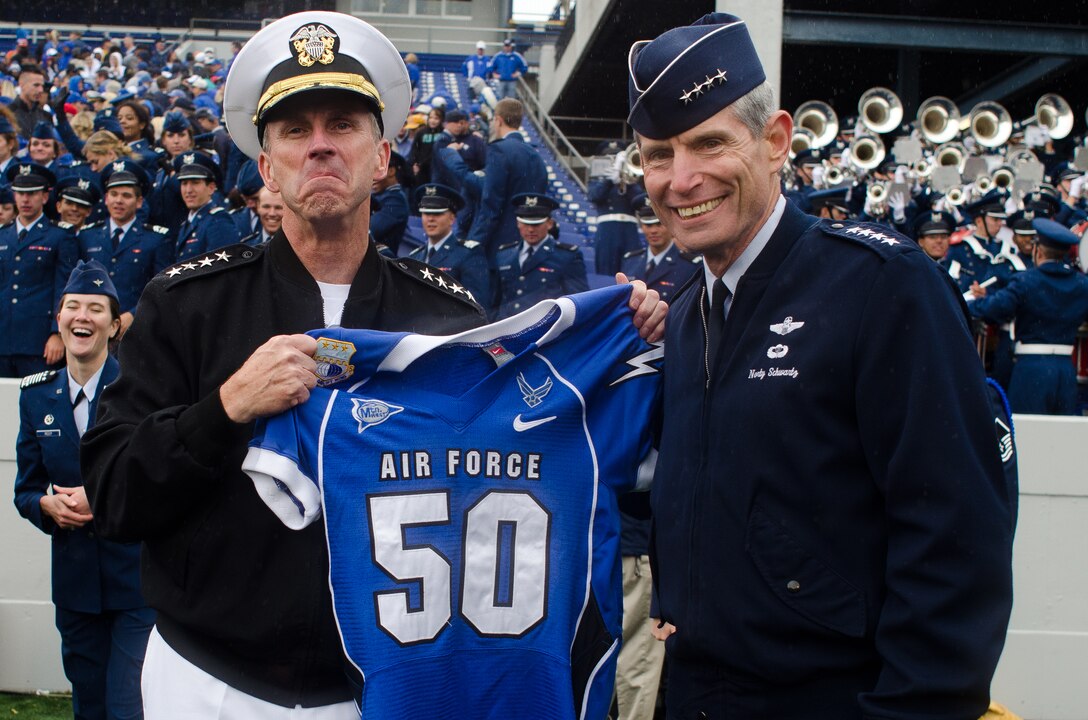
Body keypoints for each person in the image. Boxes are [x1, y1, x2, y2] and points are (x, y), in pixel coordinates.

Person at [81, 11, 666, 718]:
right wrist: (224, 409)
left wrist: (630, 336)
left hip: (387, 691)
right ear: (266, 167)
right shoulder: (186, 305)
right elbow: (113, 494)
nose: (320, 147)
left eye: (343, 126)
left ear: (382, 156)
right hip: (210, 680)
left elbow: (526, 456)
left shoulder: (451, 318)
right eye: (296, 131)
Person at [628, 13, 1015, 719]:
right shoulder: (685, 313)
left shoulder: (880, 285)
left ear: (775, 141)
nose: (681, 179)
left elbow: (958, 542)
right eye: (658, 155)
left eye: (709, 143)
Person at [14, 260, 154, 720]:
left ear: (114, 326)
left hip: (135, 585)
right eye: (73, 306)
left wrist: (106, 498)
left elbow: (162, 478)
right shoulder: (35, 395)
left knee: (126, 707)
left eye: (96, 309)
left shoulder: (140, 390)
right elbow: (26, 490)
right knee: (89, 706)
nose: (82, 316)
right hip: (74, 585)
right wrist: (46, 506)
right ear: (58, 318)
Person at [968, 218, 1088, 415]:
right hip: (1066, 369)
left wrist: (969, 302)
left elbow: (993, 309)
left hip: (1031, 368)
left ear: (1038, 250)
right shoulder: (1082, 285)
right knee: (1064, 437)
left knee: (1026, 434)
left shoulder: (1026, 281)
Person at [77, 159, 173, 337]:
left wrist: (134, 314)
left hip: (135, 330)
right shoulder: (87, 236)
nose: (119, 201)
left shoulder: (156, 238)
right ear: (106, 199)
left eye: (126, 196)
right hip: (93, 329)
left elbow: (162, 287)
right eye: (113, 194)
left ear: (139, 202)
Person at [0, 162, 77, 377]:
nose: (25, 200)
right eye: (21, 193)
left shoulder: (60, 235)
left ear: (44, 197)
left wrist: (58, 333)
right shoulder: (3, 234)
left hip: (38, 342)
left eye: (32, 193)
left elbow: (65, 288)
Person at [468, 97, 547, 266]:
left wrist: (474, 242)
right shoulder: (537, 156)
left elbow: (491, 204)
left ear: (498, 120)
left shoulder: (499, 150)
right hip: (529, 244)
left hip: (499, 246)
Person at [495, 192, 587, 319]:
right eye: (526, 223)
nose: (530, 230)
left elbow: (578, 302)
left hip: (545, 329)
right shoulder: (504, 254)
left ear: (549, 224)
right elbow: (496, 300)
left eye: (536, 224)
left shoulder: (567, 256)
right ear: (518, 223)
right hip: (506, 329)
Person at [406, 183, 489, 303]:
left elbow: (477, 303)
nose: (430, 219)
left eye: (437, 213)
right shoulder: (415, 256)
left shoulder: (468, 254)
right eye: (426, 213)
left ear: (452, 218)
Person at [619, 193, 699, 302]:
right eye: (648, 225)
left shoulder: (690, 266)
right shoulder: (630, 261)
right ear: (642, 227)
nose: (653, 231)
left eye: (659, 224)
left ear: (671, 225)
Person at [586, 140, 642, 275]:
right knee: (606, 273)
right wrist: (609, 180)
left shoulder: (631, 178)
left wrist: (626, 182)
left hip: (629, 230)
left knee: (632, 271)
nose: (613, 161)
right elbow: (594, 196)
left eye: (616, 158)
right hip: (607, 231)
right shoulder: (597, 179)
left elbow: (640, 201)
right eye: (609, 158)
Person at [172, 151, 240, 260]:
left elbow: (223, 268)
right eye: (184, 183)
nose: (188, 190)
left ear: (211, 188)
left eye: (195, 182)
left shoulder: (218, 221)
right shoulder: (188, 223)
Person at [369, 151, 409, 254]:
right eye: (370, 171)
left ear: (391, 171)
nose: (372, 177)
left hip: (382, 262)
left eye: (377, 171)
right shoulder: (378, 196)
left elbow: (371, 229)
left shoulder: (396, 200)